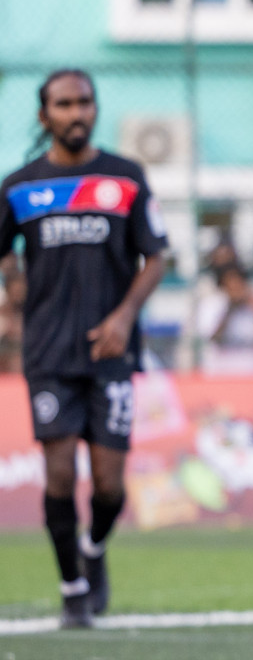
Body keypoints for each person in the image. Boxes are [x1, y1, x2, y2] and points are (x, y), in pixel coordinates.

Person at [0, 69, 169, 628]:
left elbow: (158, 255)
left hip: (111, 351)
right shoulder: (19, 186)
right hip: (48, 353)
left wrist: (124, 316)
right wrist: (12, 286)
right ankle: (72, 587)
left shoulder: (124, 178)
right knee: (56, 474)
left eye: (85, 103)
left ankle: (95, 547)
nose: (77, 113)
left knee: (109, 482)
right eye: (64, 105)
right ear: (44, 115)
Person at [199, 263, 253, 374]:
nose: (235, 288)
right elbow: (212, 339)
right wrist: (230, 310)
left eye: (239, 284)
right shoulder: (213, 304)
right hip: (220, 370)